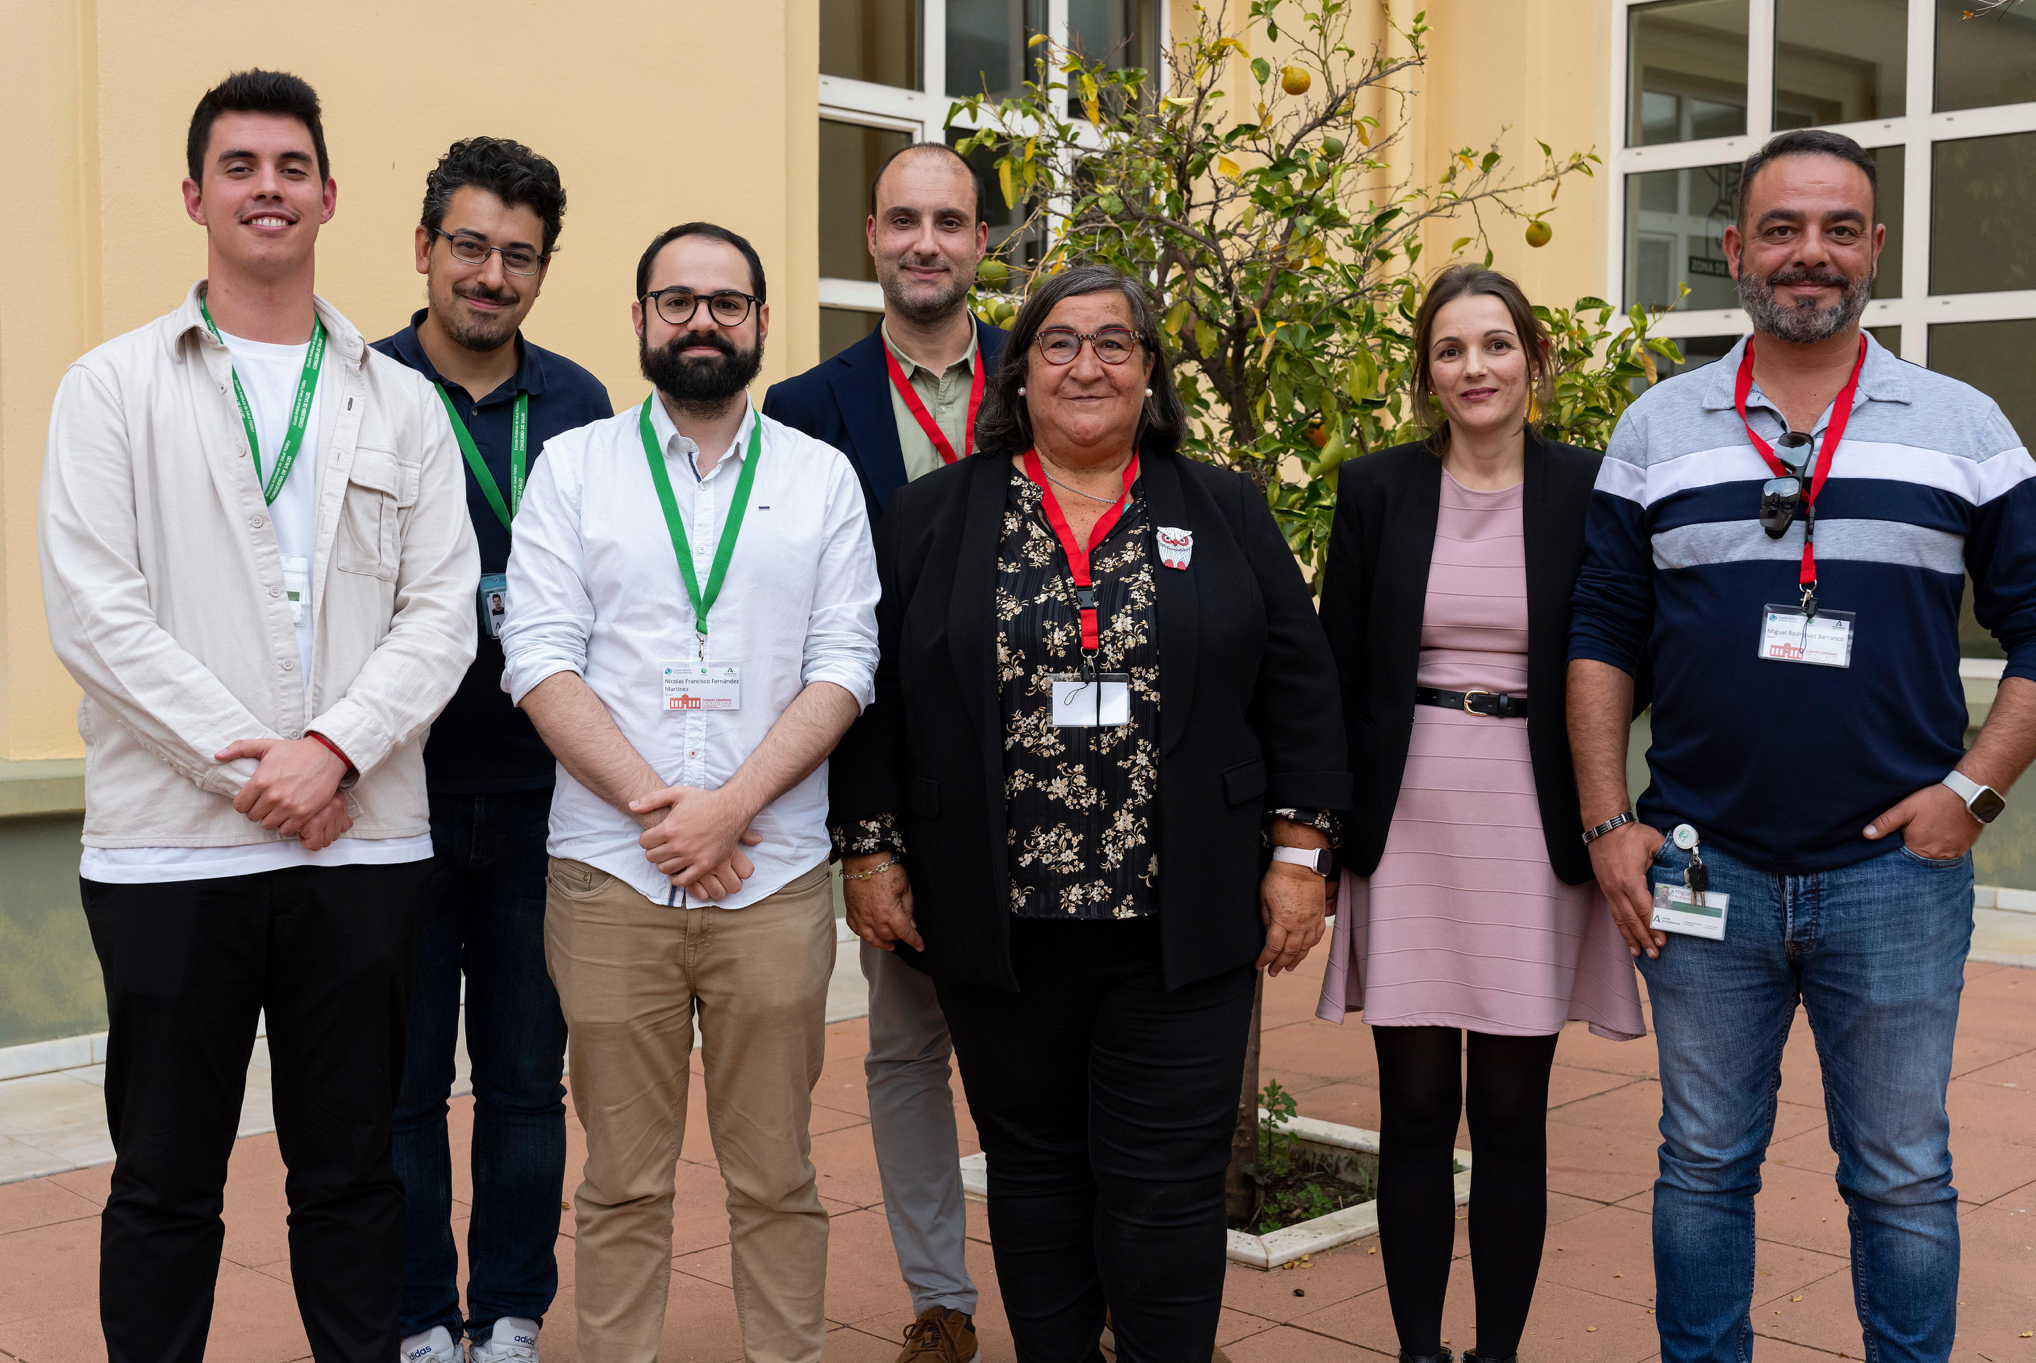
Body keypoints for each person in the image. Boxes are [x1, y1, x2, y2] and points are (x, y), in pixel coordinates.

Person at [1568, 128, 2036, 1363]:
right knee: (1700, 1162)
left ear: (1873, 247)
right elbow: (1601, 631)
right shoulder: (1656, 428)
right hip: (1700, 868)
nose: (1807, 254)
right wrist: (1607, 820)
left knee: (1899, 1173)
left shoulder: (1963, 426)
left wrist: (1973, 793)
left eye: (1835, 229)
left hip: (1893, 879)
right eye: (1779, 229)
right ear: (1735, 249)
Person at [829, 264, 1349, 1362]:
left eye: (1114, 342)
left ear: (1148, 370)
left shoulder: (1223, 508)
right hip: (998, 924)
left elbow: (1300, 688)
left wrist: (1300, 856)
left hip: (1183, 921)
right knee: (1033, 1173)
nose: (1086, 365)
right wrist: (868, 849)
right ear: (1018, 372)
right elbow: (875, 694)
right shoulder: (929, 517)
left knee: (1167, 1186)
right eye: (1059, 343)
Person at [38, 70, 478, 1363]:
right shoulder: (110, 387)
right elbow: (95, 613)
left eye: (291, 167)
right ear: (195, 196)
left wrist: (332, 750)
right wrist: (261, 770)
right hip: (171, 853)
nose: (267, 189)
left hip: (362, 843)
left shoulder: (400, 400)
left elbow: (442, 610)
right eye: (239, 167)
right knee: (164, 1180)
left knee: (353, 1174)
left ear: (329, 195)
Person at [501, 222, 879, 1363]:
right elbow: (537, 655)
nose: (701, 321)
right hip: (612, 877)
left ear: (760, 320)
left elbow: (844, 662)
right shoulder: (574, 468)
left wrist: (729, 808)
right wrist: (664, 812)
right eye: (677, 301)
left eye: (725, 301)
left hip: (773, 873)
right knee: (620, 1178)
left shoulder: (819, 477)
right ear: (639, 320)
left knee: (777, 1172)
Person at [1315, 265, 1646, 1363]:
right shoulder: (1374, 488)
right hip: (1408, 814)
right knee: (1412, 1107)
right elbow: (1335, 671)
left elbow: (1629, 649)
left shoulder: (1589, 488)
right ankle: (1419, 1352)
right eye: (1450, 349)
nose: (1475, 367)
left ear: (1533, 357)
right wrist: (1317, 837)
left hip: (1532, 812)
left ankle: (1495, 1354)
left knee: (1509, 1111)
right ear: (1426, 372)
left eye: (1496, 344)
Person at [370, 137, 614, 1363]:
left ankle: (510, 1312)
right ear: (424, 248)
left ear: (541, 270)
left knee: (524, 1080)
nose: (490, 275)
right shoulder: (361, 387)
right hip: (394, 798)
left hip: (542, 799)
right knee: (403, 1086)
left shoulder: (579, 405)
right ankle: (420, 1315)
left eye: (518, 255)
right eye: (469, 246)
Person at [763, 140, 1007, 1362]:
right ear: (870, 236)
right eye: (902, 220)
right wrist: (860, 834)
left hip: (1055, 780)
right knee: (907, 1050)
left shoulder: (1047, 369)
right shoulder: (804, 410)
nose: (925, 242)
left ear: (979, 243)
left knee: (1048, 1054)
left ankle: (1073, 1293)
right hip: (895, 774)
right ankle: (939, 1302)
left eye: (947, 221)